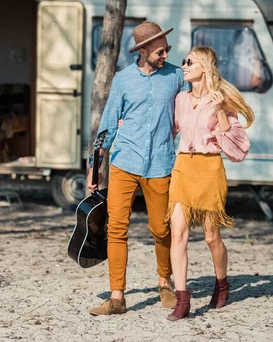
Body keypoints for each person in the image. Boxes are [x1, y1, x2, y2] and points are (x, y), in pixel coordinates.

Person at [87, 21, 190, 316]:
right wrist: (96, 167)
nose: (165, 55)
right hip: (124, 162)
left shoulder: (175, 77)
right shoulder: (123, 80)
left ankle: (164, 282)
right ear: (142, 50)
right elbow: (108, 124)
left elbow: (189, 110)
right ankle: (117, 297)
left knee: (161, 229)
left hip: (160, 163)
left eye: (166, 49)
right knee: (117, 228)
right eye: (160, 51)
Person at [166, 46, 254, 321]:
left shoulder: (222, 100)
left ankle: (222, 282)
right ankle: (182, 298)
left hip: (210, 168)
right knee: (178, 233)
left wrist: (220, 111)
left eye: (189, 61)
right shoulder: (180, 98)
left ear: (204, 66)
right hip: (183, 167)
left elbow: (238, 149)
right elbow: (169, 130)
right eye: (184, 61)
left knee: (211, 237)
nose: (184, 65)